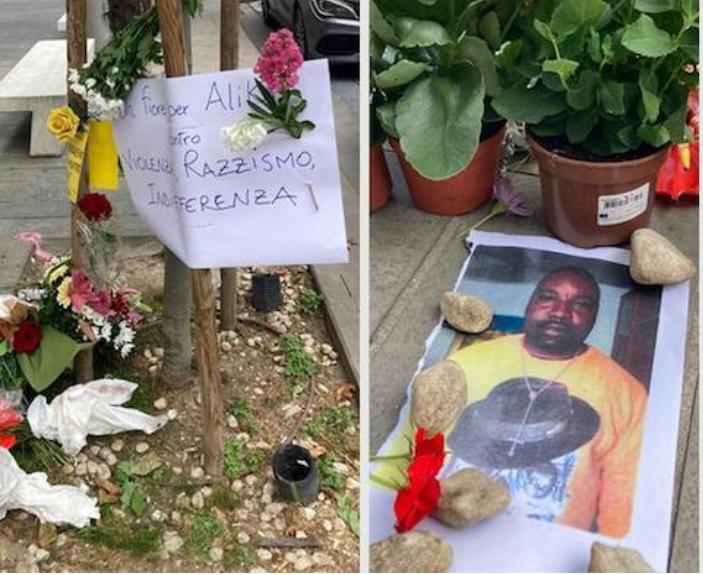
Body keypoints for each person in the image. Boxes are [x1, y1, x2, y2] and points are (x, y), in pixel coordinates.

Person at [444, 267, 647, 538]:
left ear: (595, 315)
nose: (561, 312)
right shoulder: (466, 363)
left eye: (580, 304)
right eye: (549, 298)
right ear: (530, 302)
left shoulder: (627, 393)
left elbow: (620, 514)